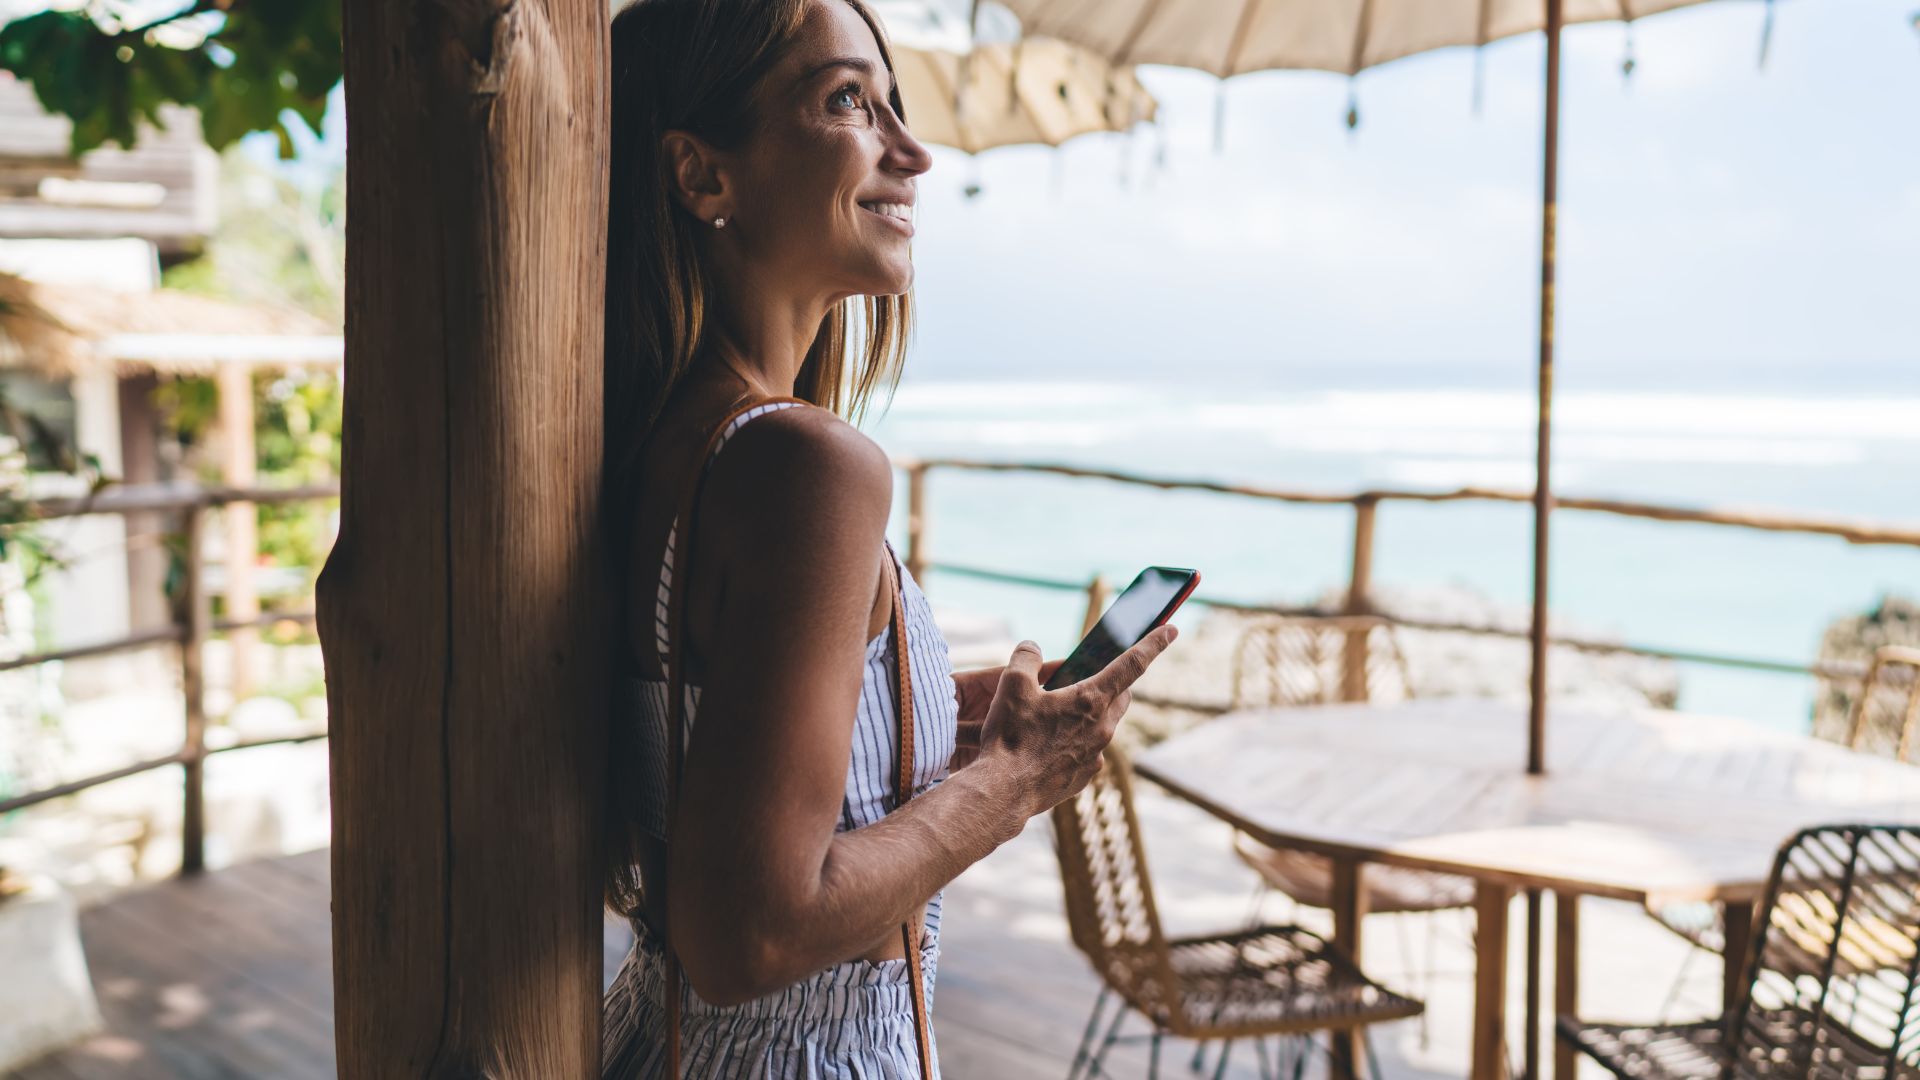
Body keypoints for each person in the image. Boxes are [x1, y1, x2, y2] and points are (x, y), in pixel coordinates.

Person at [599, 0, 1177, 1075]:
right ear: (701, 175)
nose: (911, 154)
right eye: (849, 102)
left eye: (894, 106)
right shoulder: (807, 467)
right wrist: (1012, 780)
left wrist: (903, 707)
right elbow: (751, 932)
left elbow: (700, 756)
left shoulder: (664, 437)